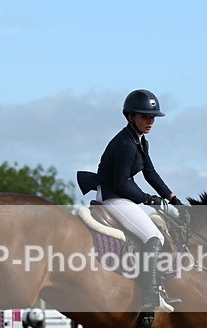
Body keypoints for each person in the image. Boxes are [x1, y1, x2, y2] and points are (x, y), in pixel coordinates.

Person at [77, 89, 184, 313]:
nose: (150, 121)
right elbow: (120, 184)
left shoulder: (140, 141)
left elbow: (150, 173)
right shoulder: (125, 144)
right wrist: (146, 198)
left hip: (122, 196)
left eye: (153, 117)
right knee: (153, 236)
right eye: (145, 116)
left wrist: (172, 199)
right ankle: (150, 293)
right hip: (113, 197)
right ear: (130, 116)